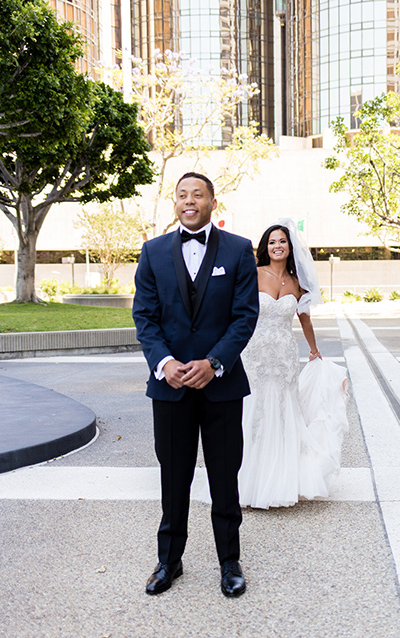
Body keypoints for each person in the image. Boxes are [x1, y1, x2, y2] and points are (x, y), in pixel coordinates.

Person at [132, 172, 259, 598]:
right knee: (174, 476)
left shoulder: (240, 250)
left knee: (225, 477)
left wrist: (215, 362)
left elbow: (245, 316)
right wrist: (164, 363)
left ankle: (229, 562)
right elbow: (145, 318)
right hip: (170, 389)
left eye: (198, 194)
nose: (190, 201)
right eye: (183, 195)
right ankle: (169, 561)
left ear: (212, 202)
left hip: (221, 387)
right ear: (175, 202)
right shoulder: (151, 253)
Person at [238, 220, 349, 509]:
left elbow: (304, 318)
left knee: (285, 411)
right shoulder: (253, 274)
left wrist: (314, 350)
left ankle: (283, 479)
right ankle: (246, 481)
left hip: (285, 356)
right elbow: (237, 312)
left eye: (282, 242)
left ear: (290, 248)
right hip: (254, 354)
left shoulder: (296, 283)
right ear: (266, 247)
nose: (277, 246)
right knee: (255, 409)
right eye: (272, 242)